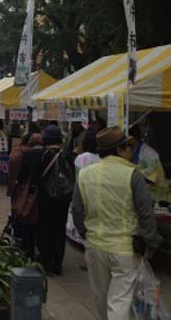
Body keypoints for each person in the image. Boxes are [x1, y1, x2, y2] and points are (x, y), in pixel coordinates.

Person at [72, 126, 160, 320]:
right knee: (120, 301)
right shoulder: (133, 174)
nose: (131, 151)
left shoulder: (85, 174)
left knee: (101, 299)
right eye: (128, 147)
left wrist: (85, 233)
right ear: (119, 150)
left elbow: (77, 209)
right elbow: (146, 212)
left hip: (94, 246)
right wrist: (149, 242)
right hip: (124, 249)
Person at [35, 125, 73, 275]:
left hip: (45, 198)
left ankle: (45, 261)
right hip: (63, 199)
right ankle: (57, 263)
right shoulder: (68, 156)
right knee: (59, 230)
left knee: (44, 228)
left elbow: (36, 176)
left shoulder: (42, 154)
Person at [129, 124, 171, 203]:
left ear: (134, 138)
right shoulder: (131, 151)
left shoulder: (150, 154)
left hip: (158, 196)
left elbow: (151, 178)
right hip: (142, 194)